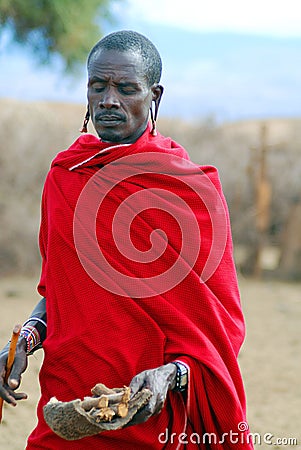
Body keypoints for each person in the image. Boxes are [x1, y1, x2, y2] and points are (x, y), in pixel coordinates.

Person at [0, 30, 253, 449]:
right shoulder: (66, 176)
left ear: (155, 95)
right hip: (71, 405)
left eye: (126, 88)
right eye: (98, 87)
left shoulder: (188, 189)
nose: (109, 100)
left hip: (157, 411)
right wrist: (25, 339)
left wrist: (171, 375)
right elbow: (59, 291)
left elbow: (221, 323)